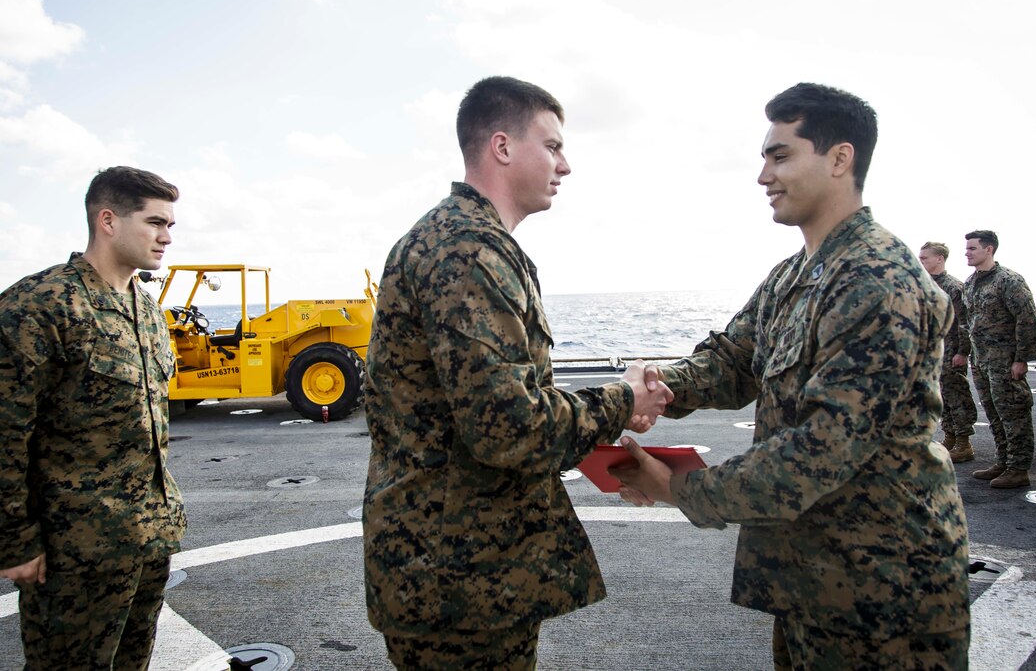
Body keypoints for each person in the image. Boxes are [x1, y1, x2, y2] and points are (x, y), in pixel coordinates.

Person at [611, 83, 969, 669]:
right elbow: (728, 361)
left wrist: (675, 487)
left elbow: (821, 452)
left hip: (884, 589)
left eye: (780, 156)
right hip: (812, 579)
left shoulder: (879, 280)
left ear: (838, 158)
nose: (762, 176)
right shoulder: (796, 274)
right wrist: (654, 384)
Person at [361, 76, 673, 670]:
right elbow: (507, 426)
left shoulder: (465, 239)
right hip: (458, 578)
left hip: (457, 567)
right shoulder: (468, 251)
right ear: (502, 147)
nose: (566, 165)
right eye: (552, 146)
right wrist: (618, 399)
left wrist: (606, 433)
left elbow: (491, 406)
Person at [0, 166, 187, 669]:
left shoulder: (147, 311)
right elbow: (5, 433)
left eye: (170, 225)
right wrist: (14, 541)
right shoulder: (40, 306)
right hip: (73, 554)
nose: (166, 237)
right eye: (155, 222)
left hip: (146, 540)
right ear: (108, 220)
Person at [958, 230, 1036, 488]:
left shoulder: (1009, 280)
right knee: (994, 413)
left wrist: (1022, 359)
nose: (967, 252)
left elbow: (1026, 319)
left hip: (1005, 361)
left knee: (1013, 414)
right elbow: (969, 322)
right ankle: (1003, 460)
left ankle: (1018, 468)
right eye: (967, 248)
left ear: (989, 249)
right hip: (982, 361)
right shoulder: (970, 283)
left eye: (972, 248)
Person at [919, 241, 978, 462]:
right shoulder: (924, 285)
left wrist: (963, 351)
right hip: (932, 353)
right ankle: (950, 437)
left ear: (939, 259)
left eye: (925, 258)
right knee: (941, 397)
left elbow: (964, 323)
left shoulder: (953, 287)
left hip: (951, 350)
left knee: (957, 396)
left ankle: (964, 442)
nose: (920, 261)